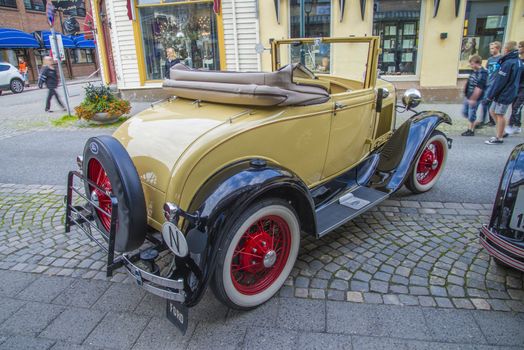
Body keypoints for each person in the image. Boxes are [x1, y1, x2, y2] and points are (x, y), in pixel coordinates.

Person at [485, 41, 523, 145]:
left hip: (505, 93)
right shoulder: (518, 61)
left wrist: (490, 95)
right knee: (492, 111)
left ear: (506, 50)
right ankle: (501, 131)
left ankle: (499, 137)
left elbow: (500, 82)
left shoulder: (508, 63)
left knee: (499, 114)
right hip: (509, 91)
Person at [461, 55, 488, 136]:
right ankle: (473, 123)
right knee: (465, 112)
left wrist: (473, 98)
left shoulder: (482, 73)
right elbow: (469, 81)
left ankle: (470, 130)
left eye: (472, 64)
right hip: (468, 95)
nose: (471, 65)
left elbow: (479, 87)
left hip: (475, 97)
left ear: (477, 63)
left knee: (471, 112)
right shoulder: (474, 71)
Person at [478, 41, 502, 127]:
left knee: (485, 102)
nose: (491, 50)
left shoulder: (501, 58)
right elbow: (487, 70)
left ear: (498, 48)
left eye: (492, 48)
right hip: (488, 83)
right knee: (488, 103)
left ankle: (483, 121)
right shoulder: (490, 59)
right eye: (490, 48)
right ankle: (491, 121)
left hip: (495, 84)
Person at [507, 41, 524, 135]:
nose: (519, 49)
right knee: (515, 106)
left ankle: (509, 126)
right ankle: (517, 126)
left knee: (516, 107)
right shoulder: (518, 60)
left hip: (523, 89)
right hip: (517, 87)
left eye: (520, 47)